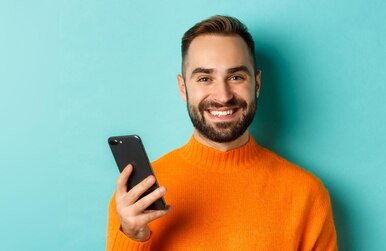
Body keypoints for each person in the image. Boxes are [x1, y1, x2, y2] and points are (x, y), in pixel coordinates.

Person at [106, 15, 337, 250]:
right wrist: (132, 238)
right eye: (205, 78)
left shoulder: (307, 194)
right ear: (183, 88)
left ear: (257, 84)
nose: (223, 96)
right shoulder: (137, 198)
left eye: (236, 77)